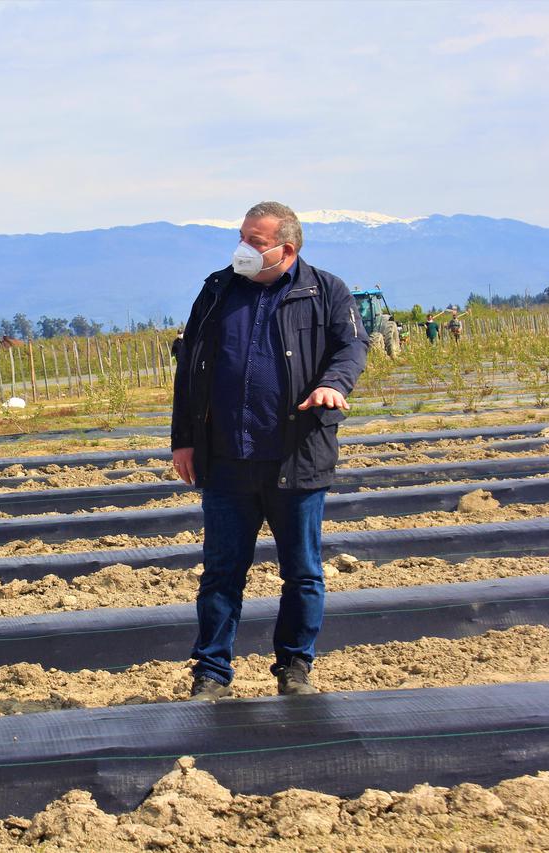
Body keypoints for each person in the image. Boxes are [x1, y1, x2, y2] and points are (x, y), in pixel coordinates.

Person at [171, 202, 368, 701]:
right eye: (241, 238)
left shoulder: (325, 291)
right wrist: (184, 440)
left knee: (302, 572)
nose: (243, 249)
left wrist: (333, 384)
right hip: (226, 460)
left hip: (295, 456)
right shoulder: (216, 292)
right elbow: (188, 368)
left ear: (287, 249)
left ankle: (294, 667)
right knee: (221, 574)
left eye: (255, 243)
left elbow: (351, 348)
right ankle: (212, 673)